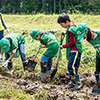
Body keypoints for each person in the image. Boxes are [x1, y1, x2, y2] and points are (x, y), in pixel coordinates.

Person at [57, 14, 82, 90]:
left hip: (75, 50)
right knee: (72, 66)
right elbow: (71, 30)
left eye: (62, 24)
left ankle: (78, 83)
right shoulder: (73, 26)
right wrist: (65, 31)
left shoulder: (70, 30)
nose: (62, 26)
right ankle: (73, 83)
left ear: (67, 22)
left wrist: (63, 46)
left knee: (72, 67)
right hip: (75, 50)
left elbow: (72, 42)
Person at [76, 23, 100, 93]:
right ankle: (98, 86)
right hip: (98, 55)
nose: (84, 38)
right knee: (97, 72)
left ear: (87, 31)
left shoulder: (99, 34)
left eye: (83, 35)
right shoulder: (88, 39)